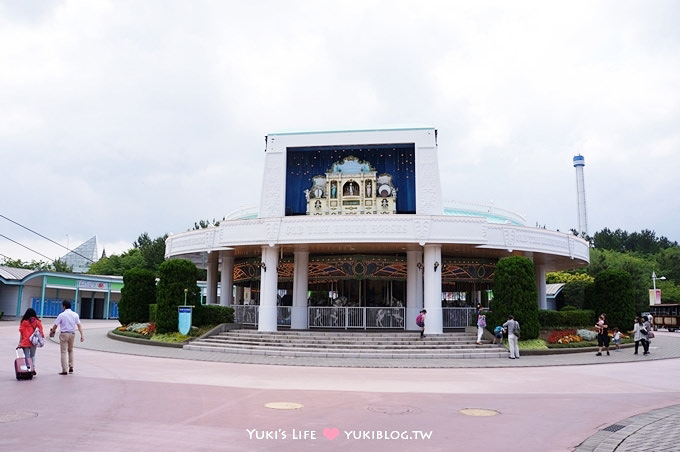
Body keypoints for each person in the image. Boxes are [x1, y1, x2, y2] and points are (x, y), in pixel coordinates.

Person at [49, 300, 84, 375]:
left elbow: (55, 325)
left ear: (64, 306)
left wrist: (52, 332)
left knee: (63, 351)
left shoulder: (61, 315)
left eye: (62, 306)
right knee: (70, 350)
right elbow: (79, 325)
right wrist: (82, 335)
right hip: (72, 334)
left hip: (64, 334)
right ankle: (71, 366)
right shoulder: (75, 315)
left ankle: (64, 370)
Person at [18, 308, 44, 376]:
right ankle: (33, 368)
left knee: (26, 356)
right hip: (33, 341)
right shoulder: (37, 322)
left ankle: (28, 368)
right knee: (32, 355)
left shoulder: (23, 322)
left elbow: (21, 333)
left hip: (25, 341)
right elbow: (41, 332)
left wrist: (20, 342)